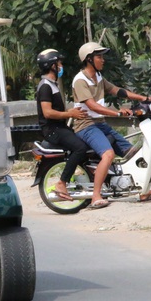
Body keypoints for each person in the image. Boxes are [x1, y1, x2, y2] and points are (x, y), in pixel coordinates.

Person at [72, 42, 151, 207]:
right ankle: (96, 196)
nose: (103, 60)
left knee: (133, 153)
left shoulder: (98, 77)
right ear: (89, 59)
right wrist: (117, 113)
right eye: (99, 57)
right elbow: (92, 106)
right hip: (86, 125)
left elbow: (117, 91)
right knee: (108, 155)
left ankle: (143, 191)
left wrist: (142, 98)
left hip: (100, 123)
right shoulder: (80, 80)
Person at [35, 48, 89, 202]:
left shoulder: (52, 84)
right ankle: (61, 183)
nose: (60, 66)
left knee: (85, 142)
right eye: (58, 63)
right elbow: (48, 113)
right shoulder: (45, 86)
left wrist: (71, 112)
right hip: (53, 130)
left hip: (59, 127)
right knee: (80, 148)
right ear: (52, 65)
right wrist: (69, 114)